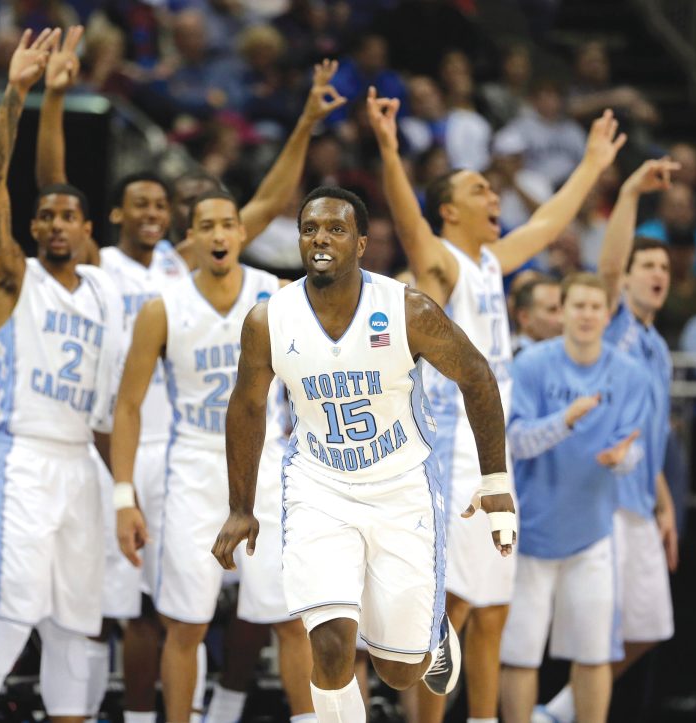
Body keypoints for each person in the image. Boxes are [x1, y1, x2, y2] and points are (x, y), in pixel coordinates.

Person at [367, 87, 625, 723]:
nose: (495, 197)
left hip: (493, 461)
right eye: (481, 190)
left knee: (492, 615)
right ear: (449, 210)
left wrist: (591, 166)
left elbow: (546, 225)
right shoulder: (442, 264)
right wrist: (389, 150)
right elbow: (408, 224)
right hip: (448, 463)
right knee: (448, 613)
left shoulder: (488, 261)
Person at [211, 186, 517, 723]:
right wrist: (240, 506)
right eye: (310, 229)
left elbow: (478, 376)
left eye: (335, 229)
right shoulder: (268, 320)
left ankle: (430, 629)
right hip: (318, 488)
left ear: (361, 244)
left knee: (398, 669)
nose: (320, 239)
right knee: (330, 646)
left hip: (401, 489)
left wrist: (495, 479)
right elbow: (247, 408)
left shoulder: (407, 309)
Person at [0, 28, 123, 723]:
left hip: (83, 464)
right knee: (12, 619)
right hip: (22, 456)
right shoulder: (12, 278)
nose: (56, 222)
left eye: (68, 215)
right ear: (33, 224)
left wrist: (125, 493)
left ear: (86, 228)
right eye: (45, 214)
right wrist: (18, 95)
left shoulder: (106, 289)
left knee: (73, 627)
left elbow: (111, 413)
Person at [112, 189, 316, 723]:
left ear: (242, 234)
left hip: (268, 468)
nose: (220, 235)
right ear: (193, 238)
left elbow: (314, 384)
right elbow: (128, 406)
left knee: (292, 619)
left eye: (229, 224)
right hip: (194, 472)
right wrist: (123, 497)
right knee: (186, 624)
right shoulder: (162, 309)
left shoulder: (275, 296)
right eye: (207, 226)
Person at [538, 158, 680, 723]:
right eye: (647, 264)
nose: (656, 273)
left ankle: (558, 711)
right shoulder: (615, 325)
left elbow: (648, 438)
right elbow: (611, 261)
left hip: (642, 503)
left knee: (650, 628)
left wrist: (665, 504)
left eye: (664, 266)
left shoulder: (659, 348)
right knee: (601, 633)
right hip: (602, 502)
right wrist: (627, 193)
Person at [500, 273, 650, 723]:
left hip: (592, 533)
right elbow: (516, 440)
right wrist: (565, 418)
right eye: (578, 306)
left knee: (593, 653)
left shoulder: (631, 375)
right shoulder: (529, 365)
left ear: (608, 315)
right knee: (521, 654)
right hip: (530, 535)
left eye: (595, 307)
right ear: (561, 311)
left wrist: (621, 458)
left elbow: (634, 450)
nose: (586, 315)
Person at [511, 275, 562, 354]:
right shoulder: (507, 359)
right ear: (524, 317)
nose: (562, 319)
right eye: (552, 310)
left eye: (563, 309)